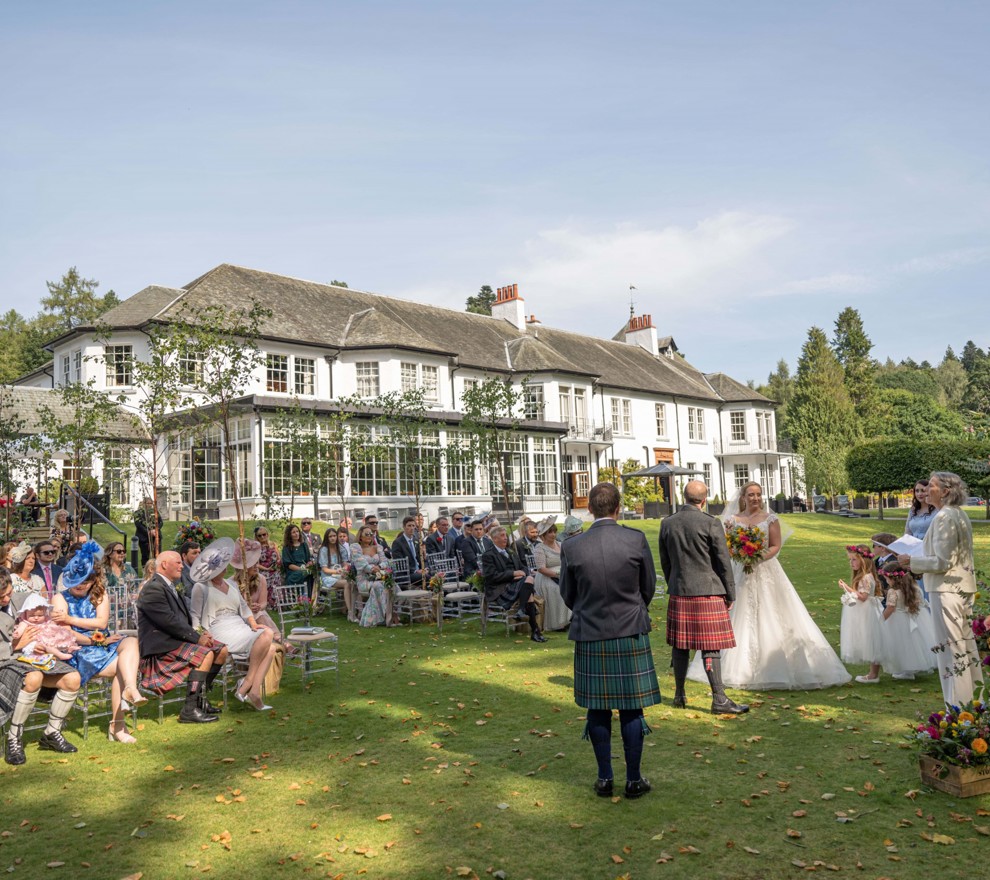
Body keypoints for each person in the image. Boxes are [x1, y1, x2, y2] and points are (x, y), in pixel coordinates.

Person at [685, 481, 850, 692]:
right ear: (743, 497)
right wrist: (739, 555)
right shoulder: (731, 521)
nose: (755, 498)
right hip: (740, 572)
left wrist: (756, 557)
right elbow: (724, 547)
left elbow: (775, 545)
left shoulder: (770, 519)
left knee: (774, 612)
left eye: (758, 494)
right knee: (738, 615)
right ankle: (737, 668)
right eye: (751, 495)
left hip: (766, 571)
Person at [560, 482, 657, 799]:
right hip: (629, 632)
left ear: (589, 509)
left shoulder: (572, 546)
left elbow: (567, 594)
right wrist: (632, 611)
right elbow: (648, 587)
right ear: (618, 507)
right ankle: (633, 780)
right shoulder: (635, 538)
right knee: (631, 708)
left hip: (591, 632)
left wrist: (588, 611)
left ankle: (605, 779)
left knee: (597, 709)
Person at [898, 471, 984, 706]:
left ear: (946, 491)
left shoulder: (945, 516)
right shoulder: (958, 514)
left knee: (951, 651)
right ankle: (972, 703)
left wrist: (911, 561)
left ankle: (957, 708)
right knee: (964, 648)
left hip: (947, 590)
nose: (926, 490)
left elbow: (943, 561)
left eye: (932, 486)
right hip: (958, 588)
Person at [662, 481, 748, 714]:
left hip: (680, 591)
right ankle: (719, 699)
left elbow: (666, 562)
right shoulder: (711, 523)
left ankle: (679, 694)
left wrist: (676, 582)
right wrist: (730, 593)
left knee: (680, 646)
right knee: (711, 647)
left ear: (684, 497)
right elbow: (723, 561)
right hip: (708, 592)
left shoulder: (667, 523)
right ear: (704, 499)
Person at [51, 540, 146, 744]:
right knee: (122, 667)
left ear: (94, 581)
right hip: (80, 650)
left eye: (86, 582)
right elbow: (70, 635)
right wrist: (94, 640)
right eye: (77, 582)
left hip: (103, 641)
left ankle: (129, 689)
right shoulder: (60, 598)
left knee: (130, 641)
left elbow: (101, 622)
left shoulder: (99, 594)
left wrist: (71, 619)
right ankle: (118, 725)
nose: (81, 586)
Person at [136, 550, 229, 723]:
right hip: (161, 646)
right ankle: (189, 709)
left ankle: (201, 699)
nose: (182, 566)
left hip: (176, 639)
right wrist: (197, 638)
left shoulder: (169, 585)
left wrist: (200, 633)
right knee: (205, 654)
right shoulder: (153, 588)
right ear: (164, 565)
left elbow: (181, 620)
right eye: (178, 563)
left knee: (221, 650)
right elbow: (169, 622)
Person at [2, 570, 82, 765]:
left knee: (73, 678)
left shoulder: (21, 599)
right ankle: (14, 737)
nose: (6, 598)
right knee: (33, 677)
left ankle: (51, 733)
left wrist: (45, 630)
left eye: (9, 593)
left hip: (32, 658)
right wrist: (18, 645)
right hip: (5, 662)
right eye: (1, 596)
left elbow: (44, 608)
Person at [190, 538, 275, 712]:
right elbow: (195, 616)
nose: (225, 569)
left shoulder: (231, 584)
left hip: (239, 626)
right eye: (220, 567)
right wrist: (200, 636)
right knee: (268, 636)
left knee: (270, 645)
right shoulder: (201, 587)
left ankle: (253, 691)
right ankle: (248, 685)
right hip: (218, 630)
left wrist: (252, 623)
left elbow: (244, 608)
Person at [481, 526, 546, 643]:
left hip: (517, 585)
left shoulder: (510, 551)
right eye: (502, 536)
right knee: (529, 585)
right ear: (494, 539)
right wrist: (513, 574)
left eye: (505, 535)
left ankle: (526, 618)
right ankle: (534, 629)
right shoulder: (488, 555)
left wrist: (521, 574)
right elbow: (492, 577)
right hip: (500, 589)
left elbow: (523, 567)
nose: (505, 538)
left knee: (528, 581)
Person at [877, 561, 936, 681]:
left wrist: (880, 620)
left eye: (887, 579)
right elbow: (920, 603)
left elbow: (890, 608)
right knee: (913, 643)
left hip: (897, 620)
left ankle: (905, 670)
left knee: (900, 644)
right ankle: (911, 668)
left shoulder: (893, 592)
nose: (886, 581)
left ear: (893, 578)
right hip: (914, 617)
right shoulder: (914, 587)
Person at [839, 545, 884, 684]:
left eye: (854, 559)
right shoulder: (865, 576)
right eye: (850, 559)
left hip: (867, 611)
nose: (851, 562)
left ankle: (873, 675)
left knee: (871, 639)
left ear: (863, 560)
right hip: (865, 610)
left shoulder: (865, 577)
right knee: (869, 639)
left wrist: (847, 588)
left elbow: (863, 597)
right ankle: (872, 673)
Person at [352, 526, 397, 627]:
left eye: (371, 534)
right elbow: (361, 564)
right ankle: (379, 618)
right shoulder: (355, 547)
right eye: (366, 534)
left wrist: (379, 567)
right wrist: (373, 569)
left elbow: (386, 562)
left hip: (379, 577)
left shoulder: (378, 547)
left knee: (390, 585)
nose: (369, 536)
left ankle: (388, 616)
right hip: (364, 580)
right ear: (360, 537)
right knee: (379, 586)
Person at [13, 594, 80, 659]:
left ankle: (68, 647)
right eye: (32, 616)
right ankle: (59, 655)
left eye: (40, 615)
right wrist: (17, 633)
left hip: (48, 638)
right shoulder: (25, 622)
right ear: (25, 614)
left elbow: (53, 625)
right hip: (36, 641)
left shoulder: (46, 620)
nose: (36, 618)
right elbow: (20, 629)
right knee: (47, 646)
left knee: (61, 638)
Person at [533, 516, 570, 632]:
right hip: (547, 577)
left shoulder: (561, 544)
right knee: (556, 590)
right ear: (543, 535)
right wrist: (557, 574)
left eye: (554, 531)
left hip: (563, 575)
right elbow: (541, 568)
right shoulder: (540, 548)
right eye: (550, 532)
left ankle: (568, 620)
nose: (553, 534)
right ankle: (557, 623)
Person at [391, 516, 429, 586]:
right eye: (409, 526)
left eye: (413, 526)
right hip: (406, 574)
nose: (412, 528)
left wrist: (425, 568)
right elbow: (400, 562)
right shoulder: (397, 543)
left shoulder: (416, 541)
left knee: (435, 574)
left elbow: (422, 558)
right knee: (426, 576)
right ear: (404, 527)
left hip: (419, 571)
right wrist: (416, 571)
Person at [281, 524, 312, 596]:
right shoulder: (286, 548)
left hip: (305, 569)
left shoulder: (304, 545)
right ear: (289, 535)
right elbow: (289, 565)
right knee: (303, 573)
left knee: (313, 573)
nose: (296, 534)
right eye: (293, 532)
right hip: (293, 571)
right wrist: (302, 569)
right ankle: (298, 598)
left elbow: (308, 560)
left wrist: (308, 565)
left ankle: (311, 598)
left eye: (297, 531)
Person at [317, 528, 346, 601]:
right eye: (330, 536)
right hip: (328, 577)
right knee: (347, 584)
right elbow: (325, 569)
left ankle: (345, 607)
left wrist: (344, 569)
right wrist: (337, 571)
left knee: (353, 582)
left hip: (340, 575)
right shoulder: (324, 550)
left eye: (334, 536)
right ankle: (347, 608)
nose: (333, 538)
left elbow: (345, 564)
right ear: (327, 538)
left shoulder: (341, 548)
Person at [133, 497, 163, 567]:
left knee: (157, 555)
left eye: (151, 503)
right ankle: (145, 571)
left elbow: (161, 522)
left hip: (156, 537)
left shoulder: (155, 512)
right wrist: (149, 532)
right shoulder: (138, 513)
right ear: (144, 504)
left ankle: (157, 570)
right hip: (144, 537)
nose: (150, 505)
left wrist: (155, 530)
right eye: (148, 503)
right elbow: (138, 525)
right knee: (145, 555)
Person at [255, 526, 281, 602]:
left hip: (275, 570)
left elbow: (279, 558)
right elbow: (256, 564)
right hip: (264, 572)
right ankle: (267, 604)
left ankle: (276, 604)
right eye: (259, 535)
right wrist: (267, 569)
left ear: (267, 534)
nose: (262, 537)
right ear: (257, 537)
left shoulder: (273, 544)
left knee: (276, 578)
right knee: (266, 580)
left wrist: (278, 563)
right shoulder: (256, 548)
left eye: (264, 534)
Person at [178, 540, 201, 608]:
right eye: (194, 553)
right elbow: (180, 597)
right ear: (184, 556)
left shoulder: (204, 569)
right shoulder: (178, 571)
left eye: (199, 553)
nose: (198, 556)